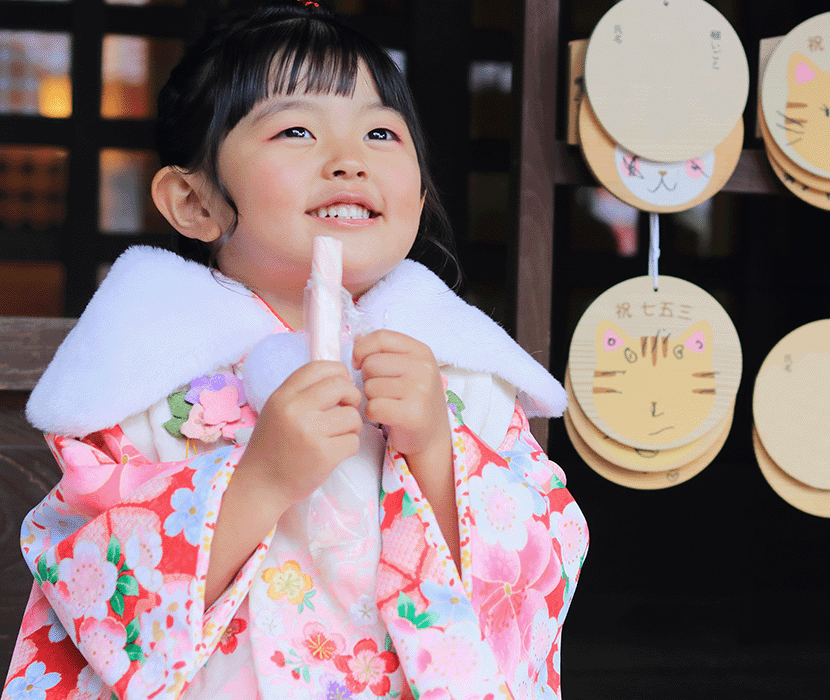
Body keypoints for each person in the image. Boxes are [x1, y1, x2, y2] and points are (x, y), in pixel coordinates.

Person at [2, 2, 588, 698]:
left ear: (421, 195)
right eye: (297, 129)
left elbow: (546, 560)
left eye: (380, 132)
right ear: (195, 201)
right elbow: (85, 581)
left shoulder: (459, 374)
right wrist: (259, 482)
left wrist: (436, 451)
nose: (348, 160)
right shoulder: (140, 381)